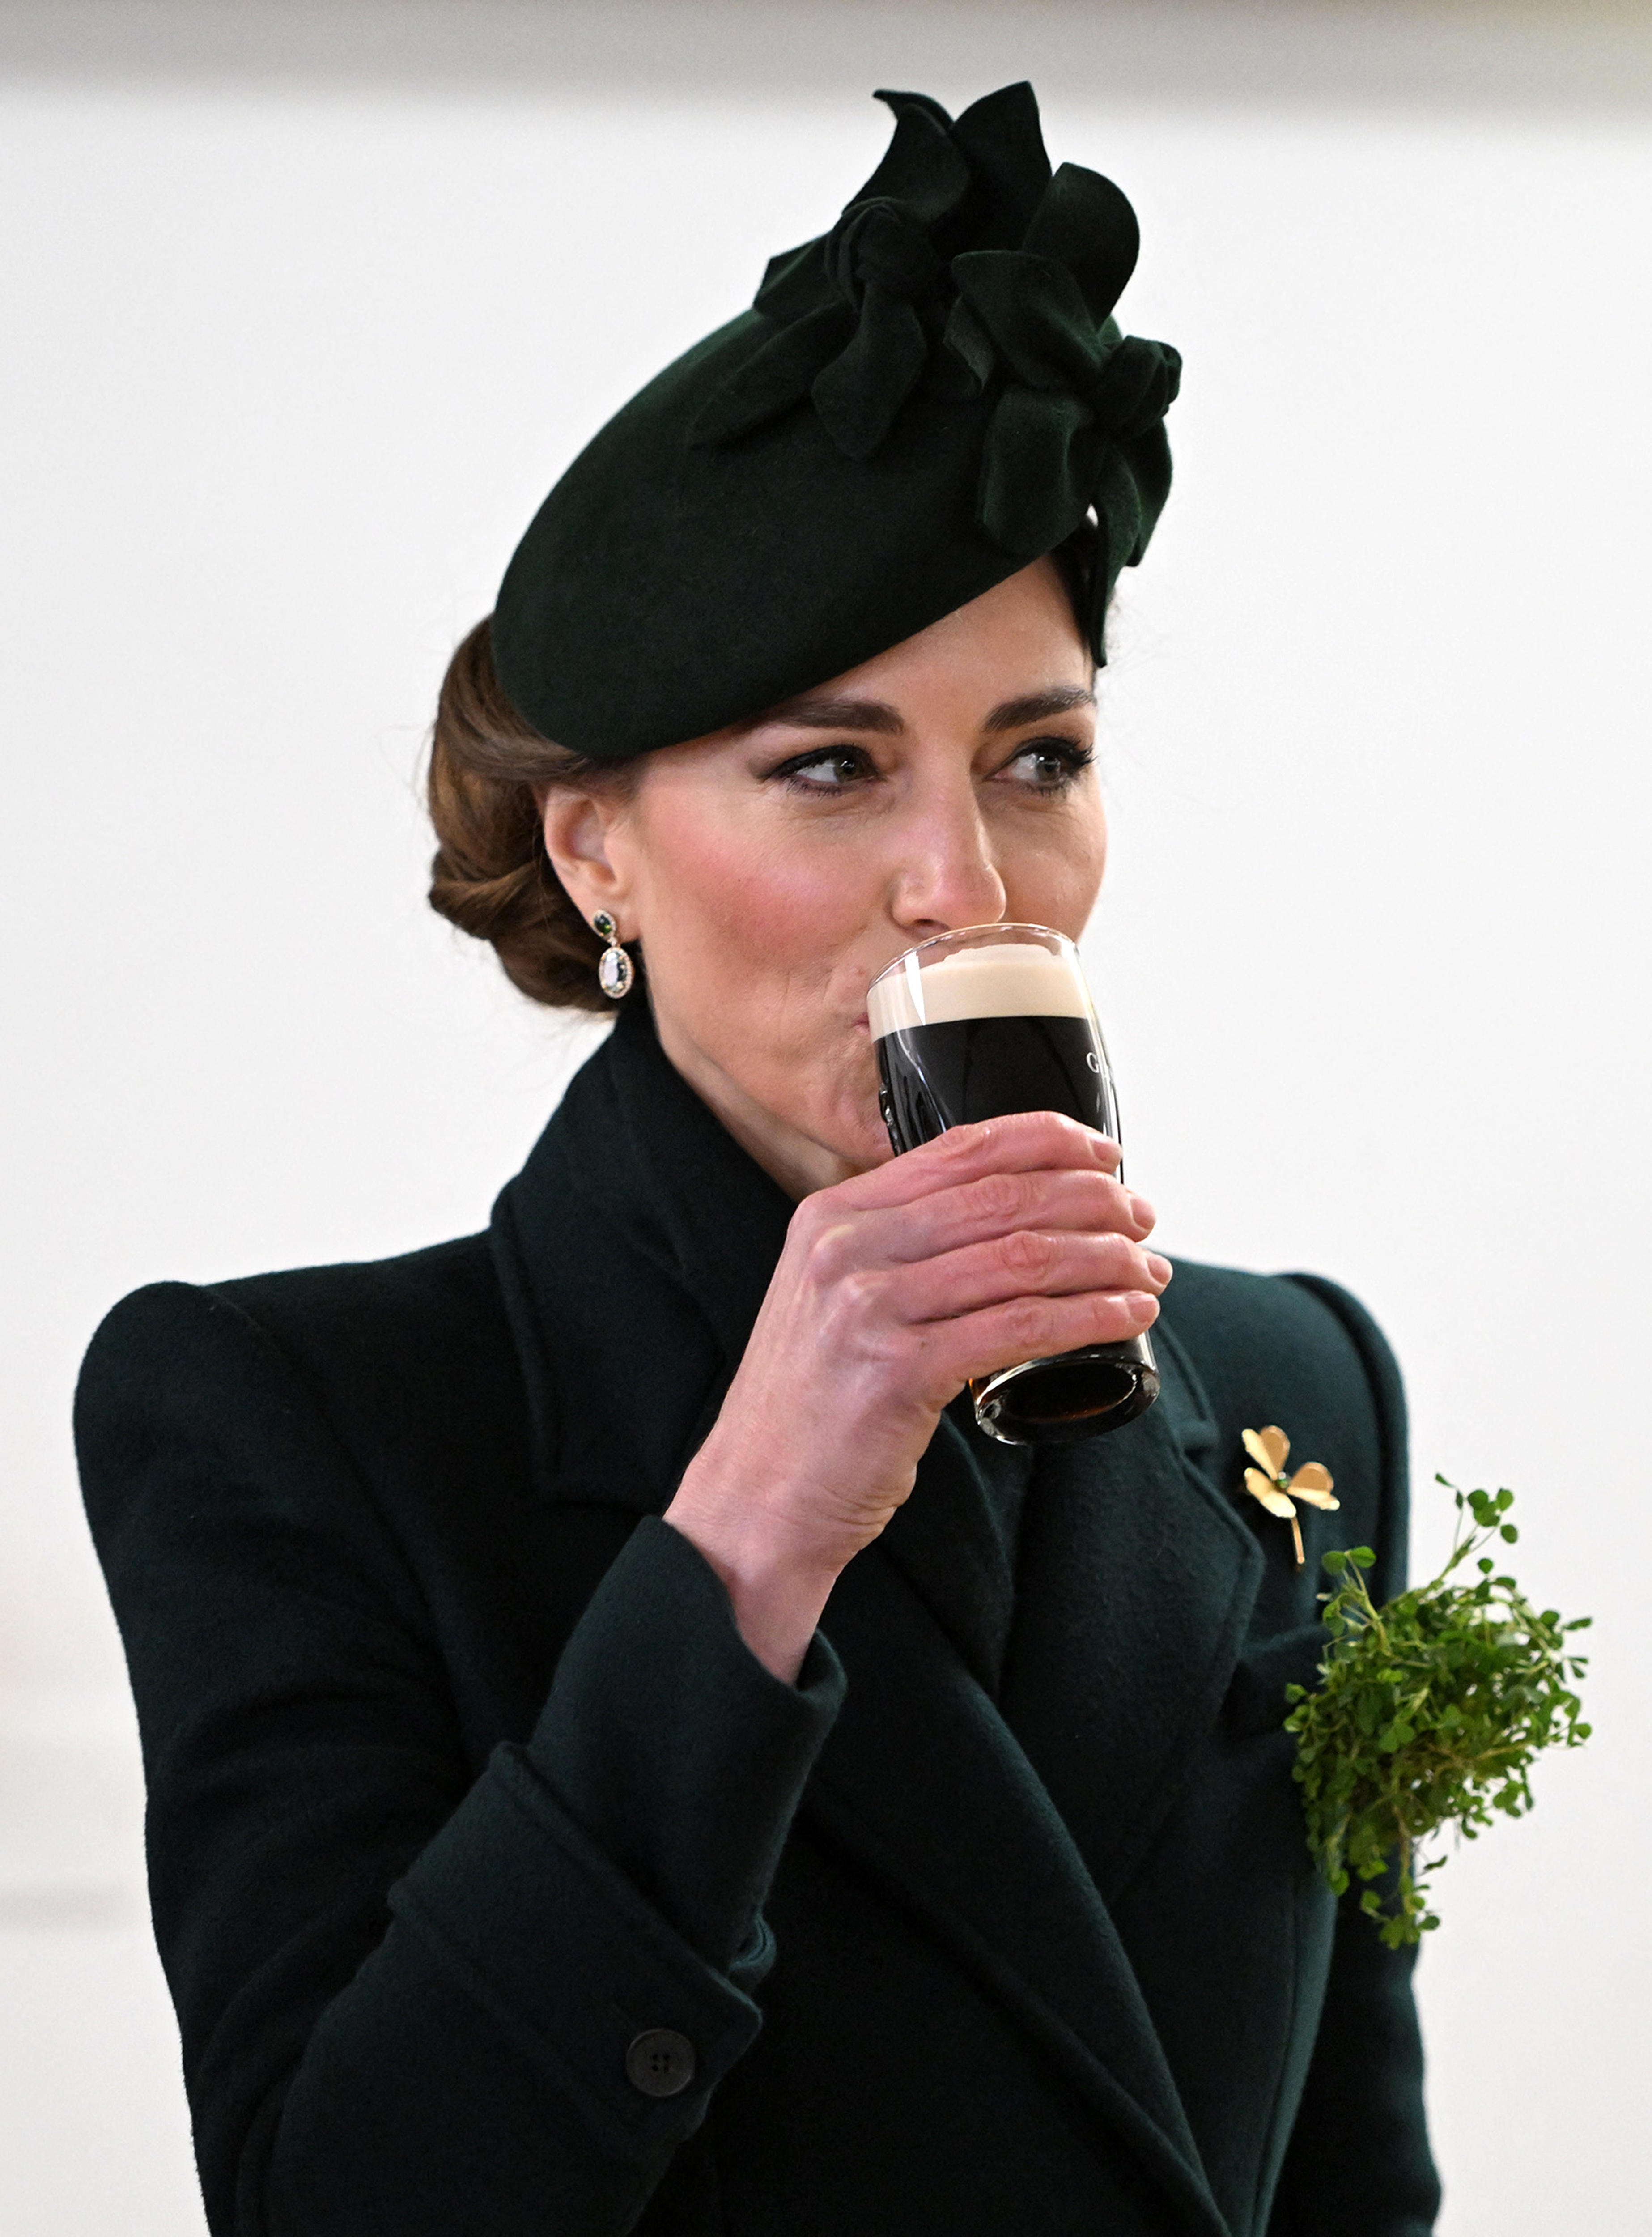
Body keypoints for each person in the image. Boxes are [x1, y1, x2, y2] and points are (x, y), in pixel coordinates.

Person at [76, 83, 1441, 2237]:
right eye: (828, 766)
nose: (960, 877)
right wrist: (745, 1543)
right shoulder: (301, 1425)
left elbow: (1356, 2183)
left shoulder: (1300, 1387)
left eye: (1041, 757)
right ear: (594, 840)